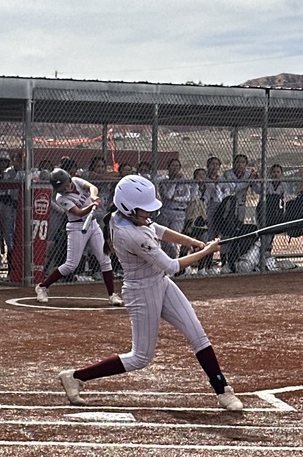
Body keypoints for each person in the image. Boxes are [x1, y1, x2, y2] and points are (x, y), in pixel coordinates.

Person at [57, 174, 243, 412]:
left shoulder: (124, 217)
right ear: (128, 208)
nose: (149, 214)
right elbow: (172, 266)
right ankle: (75, 376)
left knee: (198, 334)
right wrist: (206, 251)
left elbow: (161, 230)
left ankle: (222, 390)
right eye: (144, 210)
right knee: (140, 358)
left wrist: (194, 242)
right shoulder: (131, 234)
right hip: (141, 291)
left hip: (159, 282)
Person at [35, 168, 123, 306]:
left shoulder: (76, 181)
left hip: (92, 224)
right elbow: (79, 212)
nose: (66, 189)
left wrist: (93, 197)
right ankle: (43, 287)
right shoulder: (61, 198)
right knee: (71, 265)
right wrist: (91, 206)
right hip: (76, 227)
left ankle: (112, 294)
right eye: (62, 188)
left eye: (66, 185)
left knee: (105, 260)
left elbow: (91, 187)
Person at [158, 157, 193, 258]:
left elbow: (188, 197)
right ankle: (164, 261)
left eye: (177, 166)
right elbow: (168, 195)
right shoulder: (164, 181)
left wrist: (176, 198)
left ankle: (172, 260)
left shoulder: (185, 181)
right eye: (172, 166)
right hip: (166, 211)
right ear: (168, 168)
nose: (175, 168)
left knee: (173, 239)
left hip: (179, 213)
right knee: (164, 239)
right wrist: (175, 182)